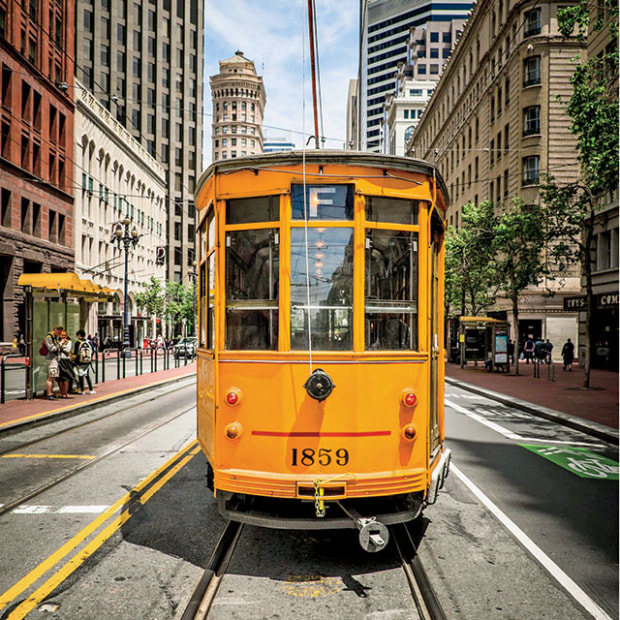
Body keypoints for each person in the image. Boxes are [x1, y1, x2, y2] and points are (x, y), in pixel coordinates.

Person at [72, 330, 96, 394]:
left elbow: (76, 353)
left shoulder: (78, 343)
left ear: (79, 335)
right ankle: (91, 389)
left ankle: (82, 390)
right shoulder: (89, 342)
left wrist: (74, 360)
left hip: (80, 361)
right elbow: (93, 351)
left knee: (80, 375)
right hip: (87, 361)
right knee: (87, 375)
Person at [44, 325, 63, 399]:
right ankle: (49, 394)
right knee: (51, 377)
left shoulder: (54, 337)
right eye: (59, 332)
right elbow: (52, 349)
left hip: (55, 359)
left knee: (53, 377)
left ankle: (51, 392)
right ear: (55, 329)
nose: (59, 333)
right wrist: (60, 344)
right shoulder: (49, 337)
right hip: (51, 359)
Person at [56, 330, 74, 398]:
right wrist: (60, 345)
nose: (63, 336)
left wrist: (61, 347)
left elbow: (67, 350)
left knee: (66, 377)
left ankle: (65, 393)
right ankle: (61, 393)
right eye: (62, 335)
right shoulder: (58, 342)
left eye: (64, 335)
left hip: (66, 361)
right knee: (60, 378)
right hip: (59, 360)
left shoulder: (69, 342)